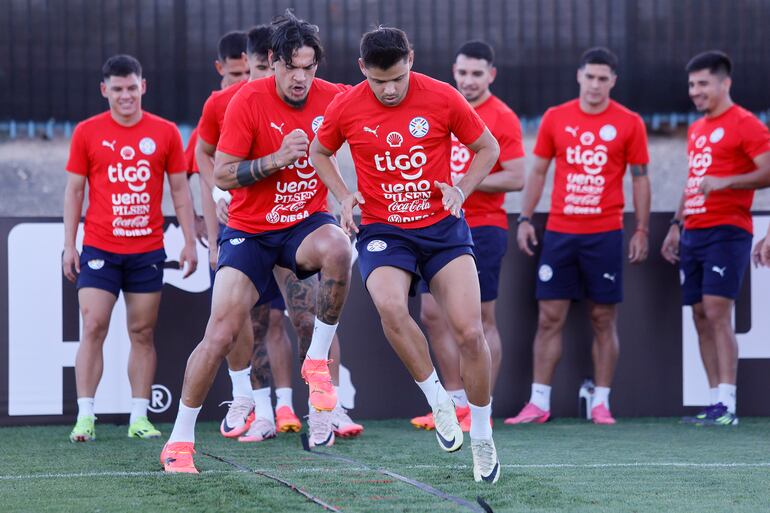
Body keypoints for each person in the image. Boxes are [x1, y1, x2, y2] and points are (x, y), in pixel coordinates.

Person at [161, 12, 352, 473]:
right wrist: (277, 158)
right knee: (220, 333)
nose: (301, 78)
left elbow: (391, 99)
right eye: (292, 67)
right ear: (273, 62)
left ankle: (317, 369)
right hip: (250, 230)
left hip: (304, 224)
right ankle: (180, 440)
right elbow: (224, 173)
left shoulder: (335, 97)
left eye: (309, 67)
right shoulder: (246, 99)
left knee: (339, 248)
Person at [310, 27, 502, 483]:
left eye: (397, 78)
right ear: (362, 69)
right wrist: (343, 195)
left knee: (470, 332)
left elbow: (488, 148)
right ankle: (438, 399)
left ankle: (482, 435)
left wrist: (461, 188)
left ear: (411, 60)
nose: (390, 90)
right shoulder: (347, 105)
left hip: (442, 228)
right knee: (391, 307)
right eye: (379, 81)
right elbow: (319, 151)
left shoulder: (443, 96)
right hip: (384, 231)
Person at [507, 47, 650, 426]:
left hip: (605, 235)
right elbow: (538, 172)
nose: (595, 85)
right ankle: (539, 402)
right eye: (590, 77)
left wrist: (642, 229)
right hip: (560, 234)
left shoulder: (630, 122)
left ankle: (601, 402)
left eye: (603, 79)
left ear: (613, 81)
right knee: (549, 318)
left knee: (603, 318)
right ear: (579, 77)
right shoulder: (556, 117)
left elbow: (640, 178)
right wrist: (525, 218)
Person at [62, 54, 198, 442]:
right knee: (93, 325)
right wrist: (69, 245)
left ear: (143, 87)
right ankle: (85, 416)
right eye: (118, 89)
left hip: (146, 251)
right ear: (104, 90)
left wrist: (190, 242)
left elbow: (179, 191)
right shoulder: (86, 132)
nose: (126, 95)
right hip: (100, 248)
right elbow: (75, 191)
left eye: (132, 88)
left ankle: (139, 417)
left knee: (142, 332)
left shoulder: (166, 132)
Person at [411, 40, 525, 433]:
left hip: (483, 227)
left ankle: (480, 408)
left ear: (491, 75)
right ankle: (455, 402)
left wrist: (463, 184)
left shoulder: (502, 116)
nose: (469, 80)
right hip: (437, 227)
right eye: (462, 72)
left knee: (481, 320)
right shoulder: (440, 105)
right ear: (454, 72)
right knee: (430, 314)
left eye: (477, 73)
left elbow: (516, 177)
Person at [661, 50, 770, 426]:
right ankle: (713, 403)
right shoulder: (697, 129)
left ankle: (728, 404)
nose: (695, 91)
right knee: (698, 314)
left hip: (728, 229)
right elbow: (694, 180)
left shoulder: (746, 123)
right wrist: (676, 224)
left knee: (716, 311)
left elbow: (767, 171)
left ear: (725, 84)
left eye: (703, 83)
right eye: (692, 84)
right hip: (693, 230)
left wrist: (727, 183)